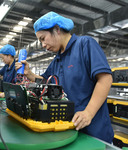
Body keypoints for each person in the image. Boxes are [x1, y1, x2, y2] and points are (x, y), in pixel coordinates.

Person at [15, 11, 114, 143]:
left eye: (43, 39)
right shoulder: (57, 59)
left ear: (57, 29)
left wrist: (88, 113)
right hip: (69, 130)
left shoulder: (85, 44)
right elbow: (46, 82)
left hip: (94, 132)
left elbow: (105, 79)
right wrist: (30, 74)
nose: (43, 45)